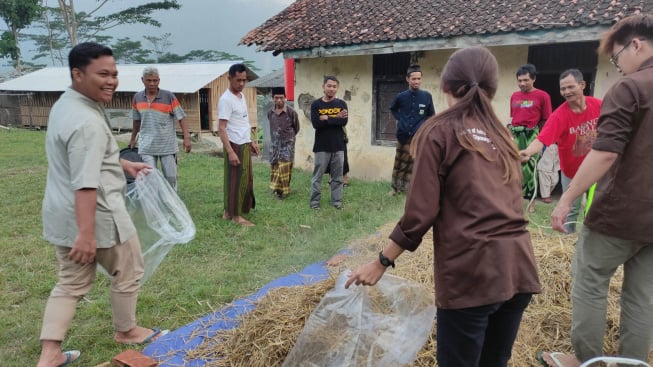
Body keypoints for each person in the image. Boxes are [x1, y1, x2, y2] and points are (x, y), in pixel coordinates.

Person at [345, 47, 541, 367]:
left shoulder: (440, 131)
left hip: (472, 275)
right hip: (519, 269)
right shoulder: (503, 136)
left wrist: (380, 262)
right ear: (493, 89)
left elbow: (420, 213)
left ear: (445, 87)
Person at [37, 42, 163, 367]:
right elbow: (86, 183)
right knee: (130, 268)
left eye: (115, 74)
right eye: (102, 74)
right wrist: (87, 235)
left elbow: (83, 160)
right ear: (77, 74)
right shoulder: (87, 122)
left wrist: (124, 165)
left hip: (60, 213)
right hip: (98, 215)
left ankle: (50, 353)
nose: (111, 81)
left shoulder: (66, 105)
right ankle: (128, 330)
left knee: (71, 281)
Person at [539, 14, 653, 367]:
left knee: (589, 279)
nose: (618, 67)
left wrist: (566, 200)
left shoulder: (630, 87)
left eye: (617, 58)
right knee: (642, 295)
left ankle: (587, 360)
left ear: (636, 44)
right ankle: (632, 362)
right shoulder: (566, 110)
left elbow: (604, 153)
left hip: (621, 212)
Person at [520, 69, 601, 233]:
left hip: (597, 170)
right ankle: (567, 244)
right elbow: (542, 139)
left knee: (595, 210)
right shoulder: (559, 116)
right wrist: (527, 152)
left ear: (582, 85)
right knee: (570, 210)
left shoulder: (599, 105)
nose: (566, 92)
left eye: (570, 87)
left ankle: (587, 241)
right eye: (563, 88)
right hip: (571, 173)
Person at [129, 66, 191, 191]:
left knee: (171, 178)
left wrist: (187, 137)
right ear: (142, 80)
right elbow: (136, 121)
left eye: (155, 80)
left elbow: (181, 117)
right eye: (149, 80)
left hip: (167, 145)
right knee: (150, 178)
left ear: (159, 80)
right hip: (146, 145)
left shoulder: (168, 96)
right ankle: (156, 206)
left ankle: (171, 203)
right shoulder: (137, 97)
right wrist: (132, 138)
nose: (152, 83)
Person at [508, 64, 554, 209]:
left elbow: (546, 119)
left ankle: (531, 202)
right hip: (515, 133)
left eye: (526, 80)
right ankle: (514, 200)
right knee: (514, 166)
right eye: (519, 80)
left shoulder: (543, 96)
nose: (522, 83)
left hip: (532, 134)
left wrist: (538, 137)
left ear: (533, 79)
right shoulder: (514, 96)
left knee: (530, 167)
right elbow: (513, 117)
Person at [218, 63, 259, 226]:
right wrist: (230, 152)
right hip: (234, 145)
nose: (242, 84)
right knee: (236, 180)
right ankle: (236, 216)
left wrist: (250, 141)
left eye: (244, 80)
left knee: (245, 179)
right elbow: (221, 128)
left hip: (243, 143)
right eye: (238, 80)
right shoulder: (226, 100)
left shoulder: (241, 97)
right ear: (229, 78)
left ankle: (229, 212)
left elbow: (242, 122)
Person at [388, 64, 435, 195]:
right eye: (414, 79)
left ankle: (410, 189)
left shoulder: (426, 96)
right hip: (403, 134)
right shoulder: (401, 96)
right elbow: (392, 108)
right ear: (407, 79)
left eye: (419, 78)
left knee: (414, 163)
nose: (416, 81)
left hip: (418, 136)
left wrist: (423, 127)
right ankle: (395, 188)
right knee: (400, 162)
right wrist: (400, 119)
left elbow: (431, 115)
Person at [309, 75, 348, 209]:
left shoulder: (341, 104)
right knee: (317, 177)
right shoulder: (316, 104)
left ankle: (336, 203)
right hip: (321, 146)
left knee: (337, 177)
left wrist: (327, 118)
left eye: (334, 86)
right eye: (329, 86)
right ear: (323, 87)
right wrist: (335, 118)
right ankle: (314, 204)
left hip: (338, 146)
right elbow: (316, 124)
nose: (331, 89)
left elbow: (343, 121)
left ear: (337, 88)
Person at [267, 87, 300, 199]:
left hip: (287, 145)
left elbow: (297, 127)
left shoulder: (291, 113)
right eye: (276, 98)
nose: (279, 100)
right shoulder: (270, 113)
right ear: (273, 99)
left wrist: (289, 139)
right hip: (275, 146)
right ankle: (277, 189)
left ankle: (283, 191)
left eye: (281, 97)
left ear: (285, 98)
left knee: (285, 167)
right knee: (275, 166)